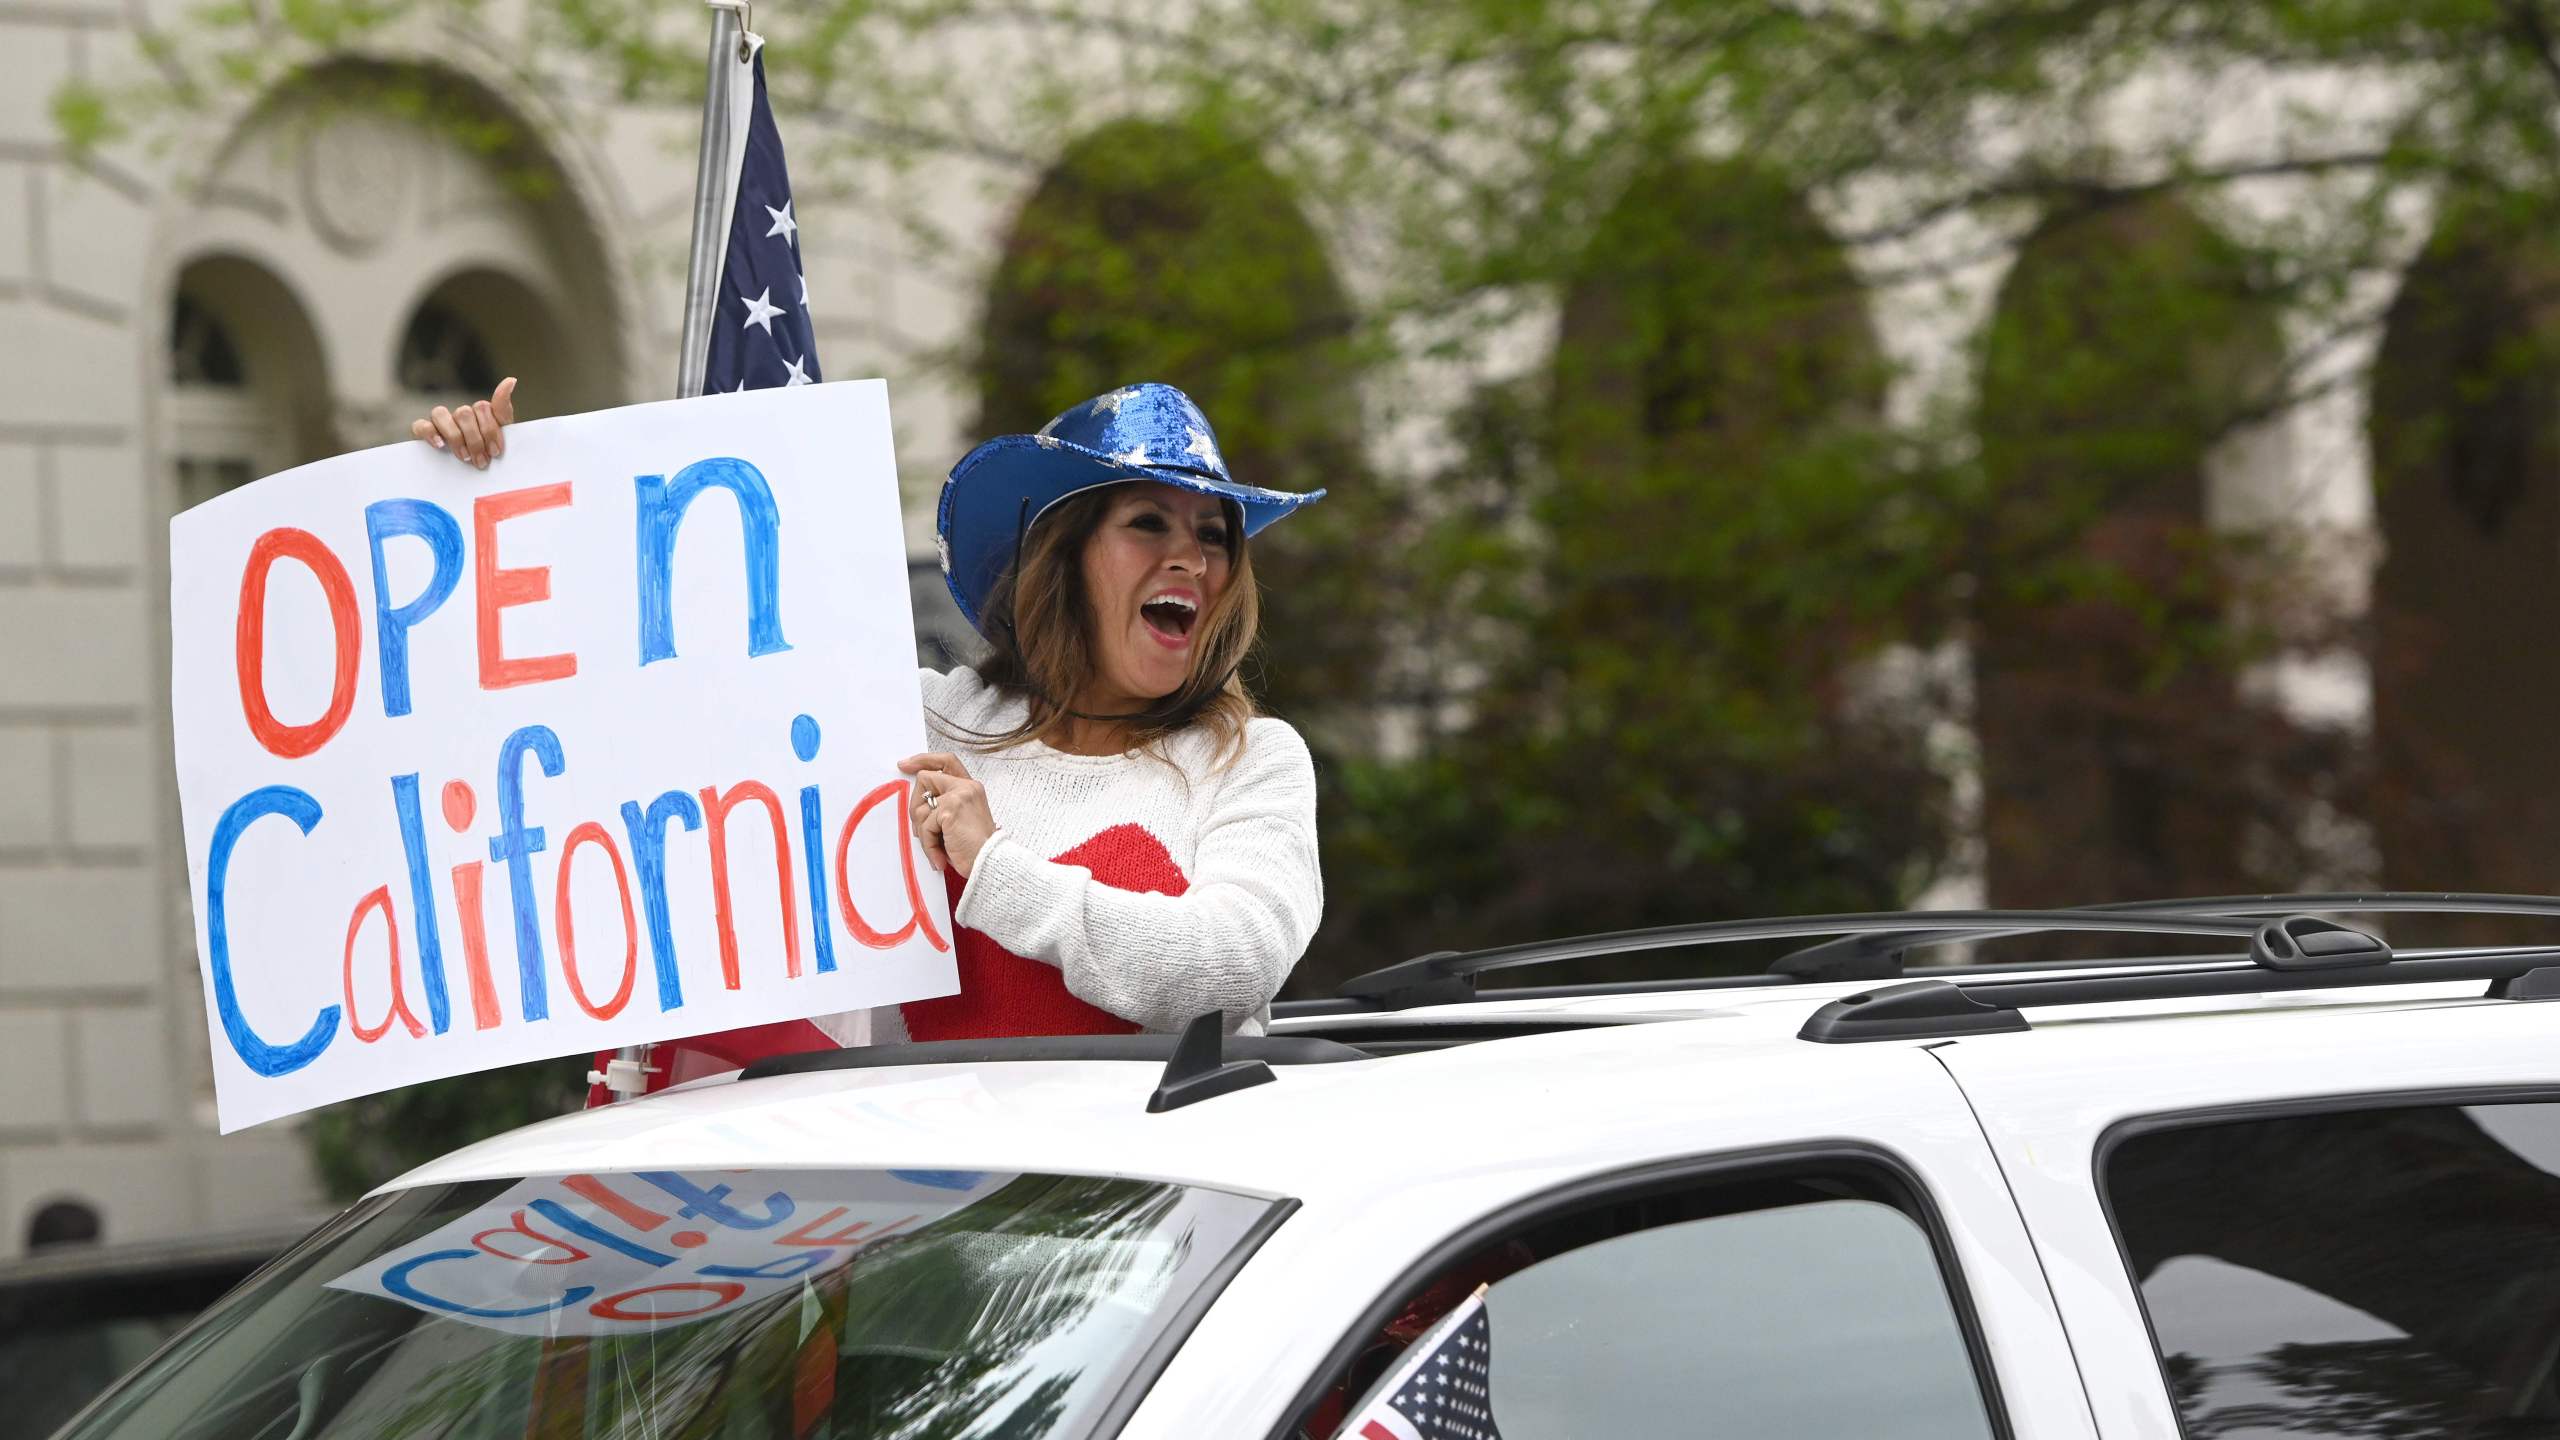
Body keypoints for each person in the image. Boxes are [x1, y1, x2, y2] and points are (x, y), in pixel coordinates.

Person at [410, 379, 1327, 1049]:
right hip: (919, 1229)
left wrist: (997, 870)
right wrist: (499, 499)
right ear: (1065, 556)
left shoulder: (1253, 759)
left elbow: (1225, 967)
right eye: (1149, 524)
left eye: (1213, 537)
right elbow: (674, 695)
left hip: (1155, 1242)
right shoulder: (921, 721)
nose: (1191, 561)